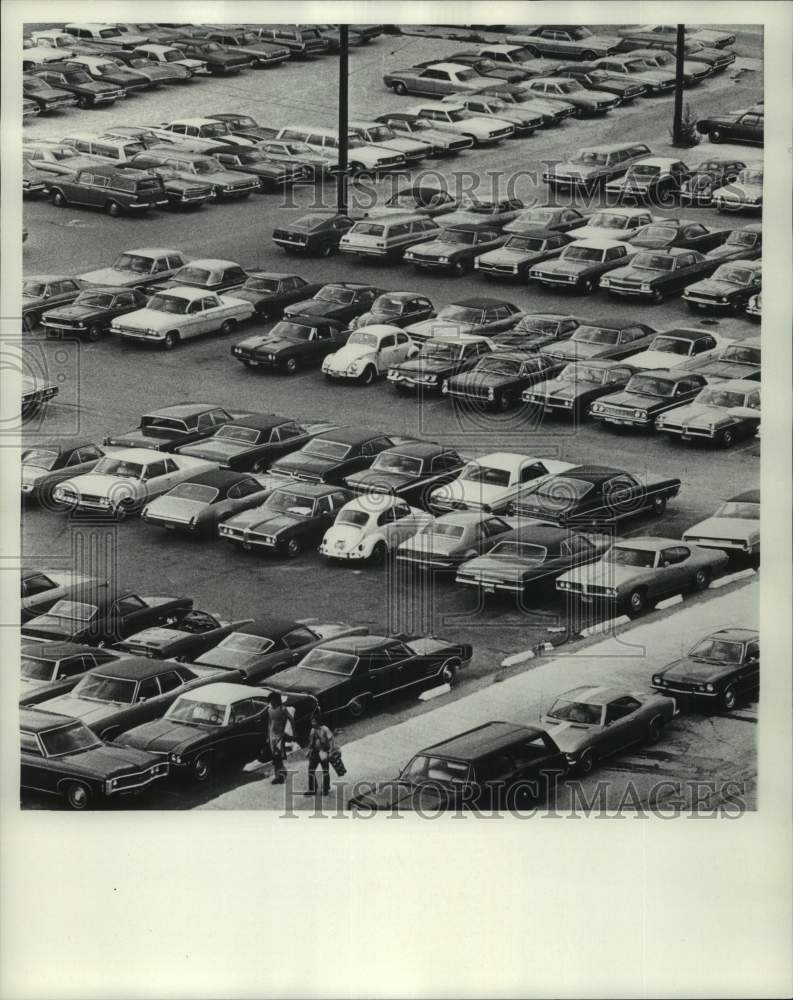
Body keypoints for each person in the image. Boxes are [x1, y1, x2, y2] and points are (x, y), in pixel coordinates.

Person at [304, 712, 334, 796]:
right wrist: (309, 751)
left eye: (313, 721)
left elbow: (331, 739)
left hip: (324, 751)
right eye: (312, 721)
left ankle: (326, 788)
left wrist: (331, 751)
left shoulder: (324, 729)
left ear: (318, 721)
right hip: (315, 752)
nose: (312, 722)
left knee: (325, 770)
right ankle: (312, 789)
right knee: (311, 769)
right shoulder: (312, 730)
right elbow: (311, 743)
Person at [266, 692, 292, 784]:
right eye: (270, 701)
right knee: (275, 757)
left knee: (277, 757)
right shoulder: (269, 710)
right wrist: (268, 736)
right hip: (272, 736)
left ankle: (279, 775)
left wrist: (291, 732)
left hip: (279, 736)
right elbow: (269, 723)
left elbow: (291, 719)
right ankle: (281, 773)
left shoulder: (282, 709)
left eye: (272, 700)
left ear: (276, 700)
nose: (271, 702)